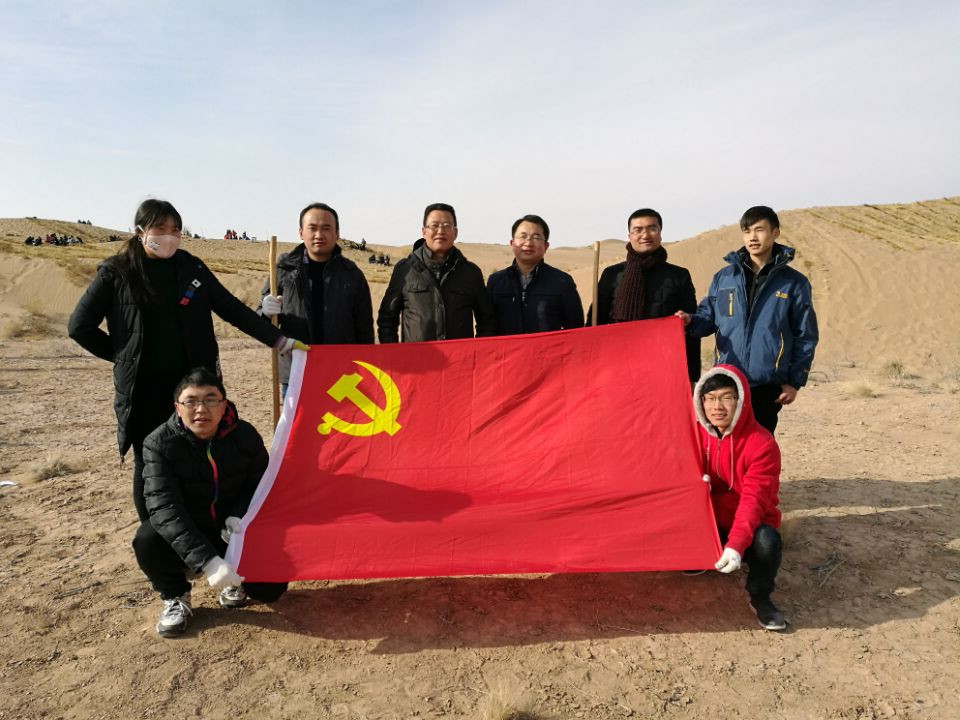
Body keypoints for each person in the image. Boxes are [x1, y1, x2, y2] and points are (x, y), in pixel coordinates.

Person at [68, 199, 303, 522]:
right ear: (140, 231)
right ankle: (157, 533)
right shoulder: (117, 272)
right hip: (145, 390)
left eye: (175, 230)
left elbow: (232, 309)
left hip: (195, 387)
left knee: (200, 454)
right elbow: (79, 326)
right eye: (160, 228)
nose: (169, 236)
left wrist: (279, 341)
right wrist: (125, 357)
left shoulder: (192, 268)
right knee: (150, 462)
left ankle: (201, 528)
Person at [133, 368, 287, 638]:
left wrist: (238, 515)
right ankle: (176, 595)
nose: (201, 409)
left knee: (271, 590)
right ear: (177, 407)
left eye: (210, 400)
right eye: (191, 401)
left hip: (232, 530)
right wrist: (208, 561)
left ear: (224, 405)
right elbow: (165, 508)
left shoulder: (246, 435)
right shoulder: (158, 444)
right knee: (147, 539)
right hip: (190, 528)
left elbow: (261, 485)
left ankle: (236, 581)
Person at [677, 206, 819, 434]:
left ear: (775, 233)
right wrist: (689, 322)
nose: (752, 237)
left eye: (759, 230)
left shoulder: (794, 283)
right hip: (727, 379)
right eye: (747, 231)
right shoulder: (724, 278)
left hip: (767, 384)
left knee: (759, 444)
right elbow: (707, 318)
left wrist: (794, 382)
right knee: (723, 443)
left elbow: (805, 335)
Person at [694, 364, 786, 631]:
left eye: (726, 397)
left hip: (749, 523)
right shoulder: (695, 435)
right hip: (710, 521)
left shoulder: (762, 444)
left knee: (767, 541)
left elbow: (753, 500)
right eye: (710, 398)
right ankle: (699, 558)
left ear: (741, 400)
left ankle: (760, 596)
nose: (717, 406)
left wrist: (736, 545)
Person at [259, 203, 374, 390]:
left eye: (326, 228)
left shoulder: (352, 275)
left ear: (337, 234)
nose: (319, 235)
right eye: (312, 228)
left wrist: (365, 369)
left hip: (342, 374)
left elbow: (364, 328)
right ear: (301, 233)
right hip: (296, 372)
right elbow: (260, 322)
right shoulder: (283, 270)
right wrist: (265, 312)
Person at [588, 208, 700, 382]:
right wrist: (591, 368)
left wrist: (692, 377)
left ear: (660, 233)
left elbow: (691, 326)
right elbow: (595, 322)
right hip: (617, 365)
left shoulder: (679, 276)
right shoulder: (612, 274)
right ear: (630, 236)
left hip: (662, 367)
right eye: (638, 230)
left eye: (652, 229)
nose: (645, 235)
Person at [377, 202, 495, 342]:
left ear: (455, 232)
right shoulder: (404, 270)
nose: (440, 231)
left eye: (447, 226)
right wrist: (395, 353)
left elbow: (487, 321)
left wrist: (477, 351)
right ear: (424, 231)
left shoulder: (471, 273)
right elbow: (387, 320)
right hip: (417, 356)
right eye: (434, 225)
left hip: (459, 356)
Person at [486, 214, 584, 335]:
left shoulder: (562, 282)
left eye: (536, 237)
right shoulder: (496, 281)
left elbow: (576, 328)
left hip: (548, 348)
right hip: (507, 348)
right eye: (523, 236)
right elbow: (487, 326)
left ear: (546, 246)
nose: (528, 243)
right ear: (512, 243)